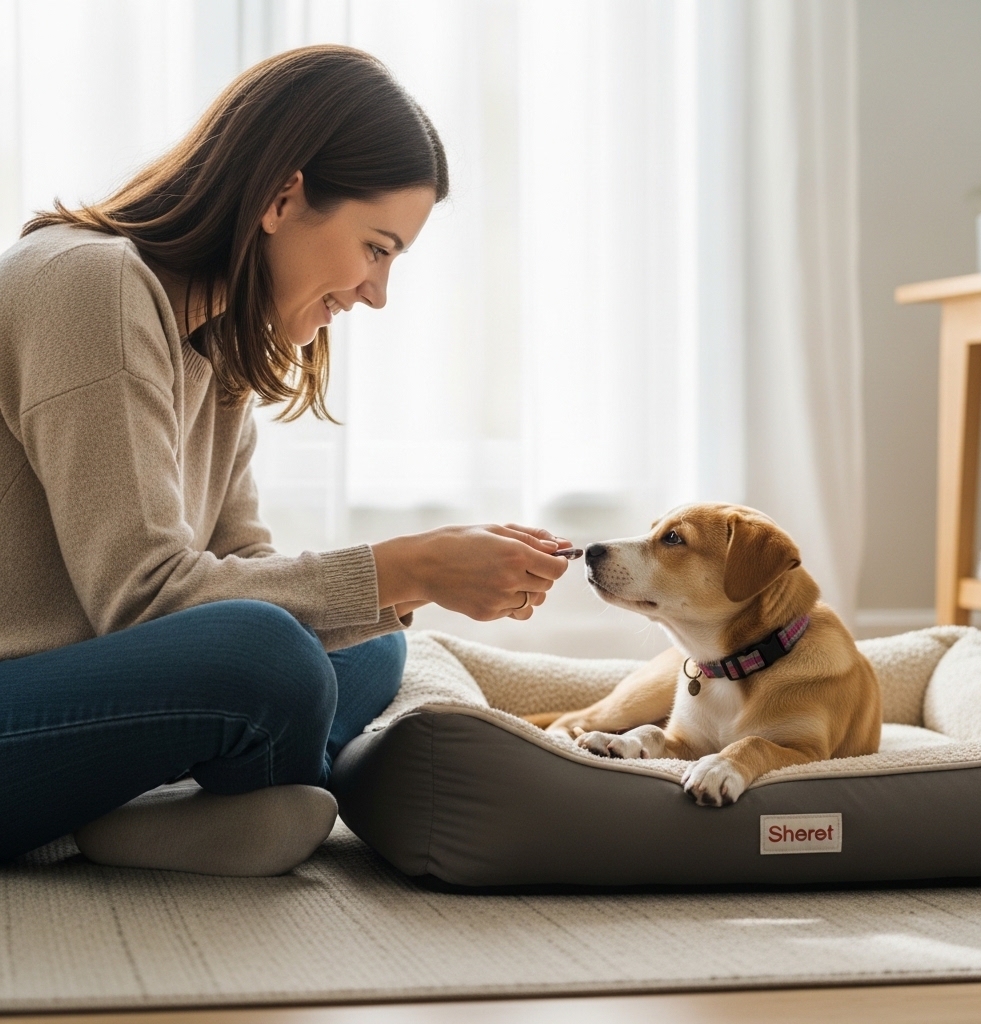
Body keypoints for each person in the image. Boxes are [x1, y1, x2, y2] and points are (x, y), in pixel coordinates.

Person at [0, 45, 570, 874]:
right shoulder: (89, 283)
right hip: (23, 700)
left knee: (370, 646)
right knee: (268, 653)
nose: (377, 293)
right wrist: (404, 566)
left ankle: (169, 814)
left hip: (95, 688)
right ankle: (169, 809)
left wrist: (407, 581)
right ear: (281, 197)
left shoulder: (216, 340)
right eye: (377, 248)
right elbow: (146, 599)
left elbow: (240, 568)